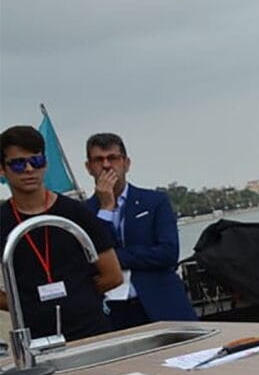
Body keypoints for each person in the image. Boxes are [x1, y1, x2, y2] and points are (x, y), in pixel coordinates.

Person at [0, 125, 122, 341]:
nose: (29, 169)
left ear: (45, 164)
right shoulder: (2, 221)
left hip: (91, 331)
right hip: (36, 337)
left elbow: (112, 275)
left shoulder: (77, 212)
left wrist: (79, 294)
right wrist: (27, 305)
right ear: (3, 169)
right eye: (18, 164)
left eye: (36, 161)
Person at [84, 133, 198, 329]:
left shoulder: (155, 202)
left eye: (112, 158)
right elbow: (88, 263)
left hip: (163, 305)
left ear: (126, 163)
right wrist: (105, 209)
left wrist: (113, 258)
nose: (106, 165)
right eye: (98, 160)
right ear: (89, 167)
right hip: (112, 312)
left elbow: (168, 254)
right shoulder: (82, 213)